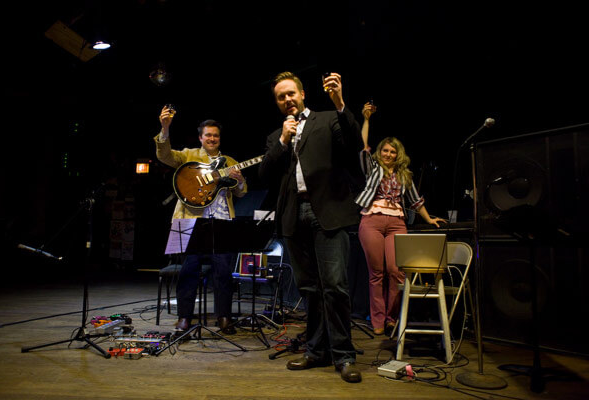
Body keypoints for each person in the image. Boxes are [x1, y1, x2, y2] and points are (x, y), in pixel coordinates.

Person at [258, 71, 364, 383]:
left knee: (335, 286)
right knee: (310, 289)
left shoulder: (329, 119)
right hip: (293, 215)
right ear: (277, 103)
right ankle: (316, 351)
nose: (287, 100)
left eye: (291, 93)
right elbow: (265, 174)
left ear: (302, 94)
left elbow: (355, 143)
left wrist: (340, 102)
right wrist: (282, 140)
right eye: (281, 96)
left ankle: (344, 356)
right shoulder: (276, 135)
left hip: (327, 212)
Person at [356, 102, 446, 336]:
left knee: (396, 272)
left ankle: (391, 318)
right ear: (380, 153)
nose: (388, 154)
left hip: (397, 222)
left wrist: (429, 219)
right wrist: (366, 119)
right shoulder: (373, 168)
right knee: (376, 273)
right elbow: (363, 146)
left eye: (392, 152)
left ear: (398, 155)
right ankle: (377, 319)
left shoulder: (405, 175)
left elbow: (416, 200)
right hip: (372, 220)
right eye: (385, 150)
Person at [154, 107, 247, 334]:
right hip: (192, 222)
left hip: (222, 221)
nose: (212, 138)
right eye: (208, 135)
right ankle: (184, 317)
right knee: (189, 272)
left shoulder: (230, 161)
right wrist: (165, 128)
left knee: (223, 273)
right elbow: (165, 156)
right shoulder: (189, 155)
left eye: (215, 135)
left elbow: (242, 192)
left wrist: (241, 180)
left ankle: (224, 317)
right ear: (201, 138)